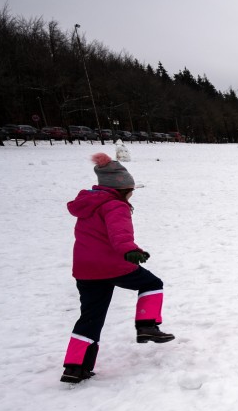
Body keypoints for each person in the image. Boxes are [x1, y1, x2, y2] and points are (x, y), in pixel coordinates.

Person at [59, 152, 174, 384]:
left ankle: (74, 367)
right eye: (131, 189)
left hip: (85, 270)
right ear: (122, 188)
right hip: (112, 266)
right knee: (152, 284)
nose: (132, 193)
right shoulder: (115, 206)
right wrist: (131, 251)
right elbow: (119, 234)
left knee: (90, 317)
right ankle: (147, 325)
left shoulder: (88, 204)